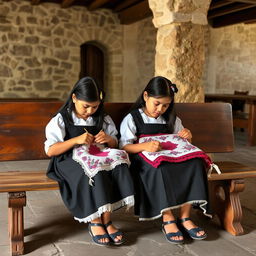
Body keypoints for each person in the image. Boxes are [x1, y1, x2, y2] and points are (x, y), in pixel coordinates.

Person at [119, 76, 210, 244]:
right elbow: (124, 147)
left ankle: (185, 216)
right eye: (157, 103)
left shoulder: (171, 118)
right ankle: (167, 217)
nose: (160, 109)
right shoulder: (133, 118)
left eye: (166, 105)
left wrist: (187, 136)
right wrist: (144, 147)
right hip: (144, 160)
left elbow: (181, 140)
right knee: (160, 168)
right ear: (146, 96)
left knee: (195, 163)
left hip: (170, 155)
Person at [45, 76, 134, 246]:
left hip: (96, 155)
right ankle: (95, 220)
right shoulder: (62, 119)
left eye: (95, 107)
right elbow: (51, 150)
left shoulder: (102, 118)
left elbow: (115, 143)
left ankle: (107, 219)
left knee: (118, 164)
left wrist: (107, 138)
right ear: (74, 98)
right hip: (68, 160)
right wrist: (75, 140)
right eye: (85, 106)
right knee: (96, 172)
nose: (90, 111)